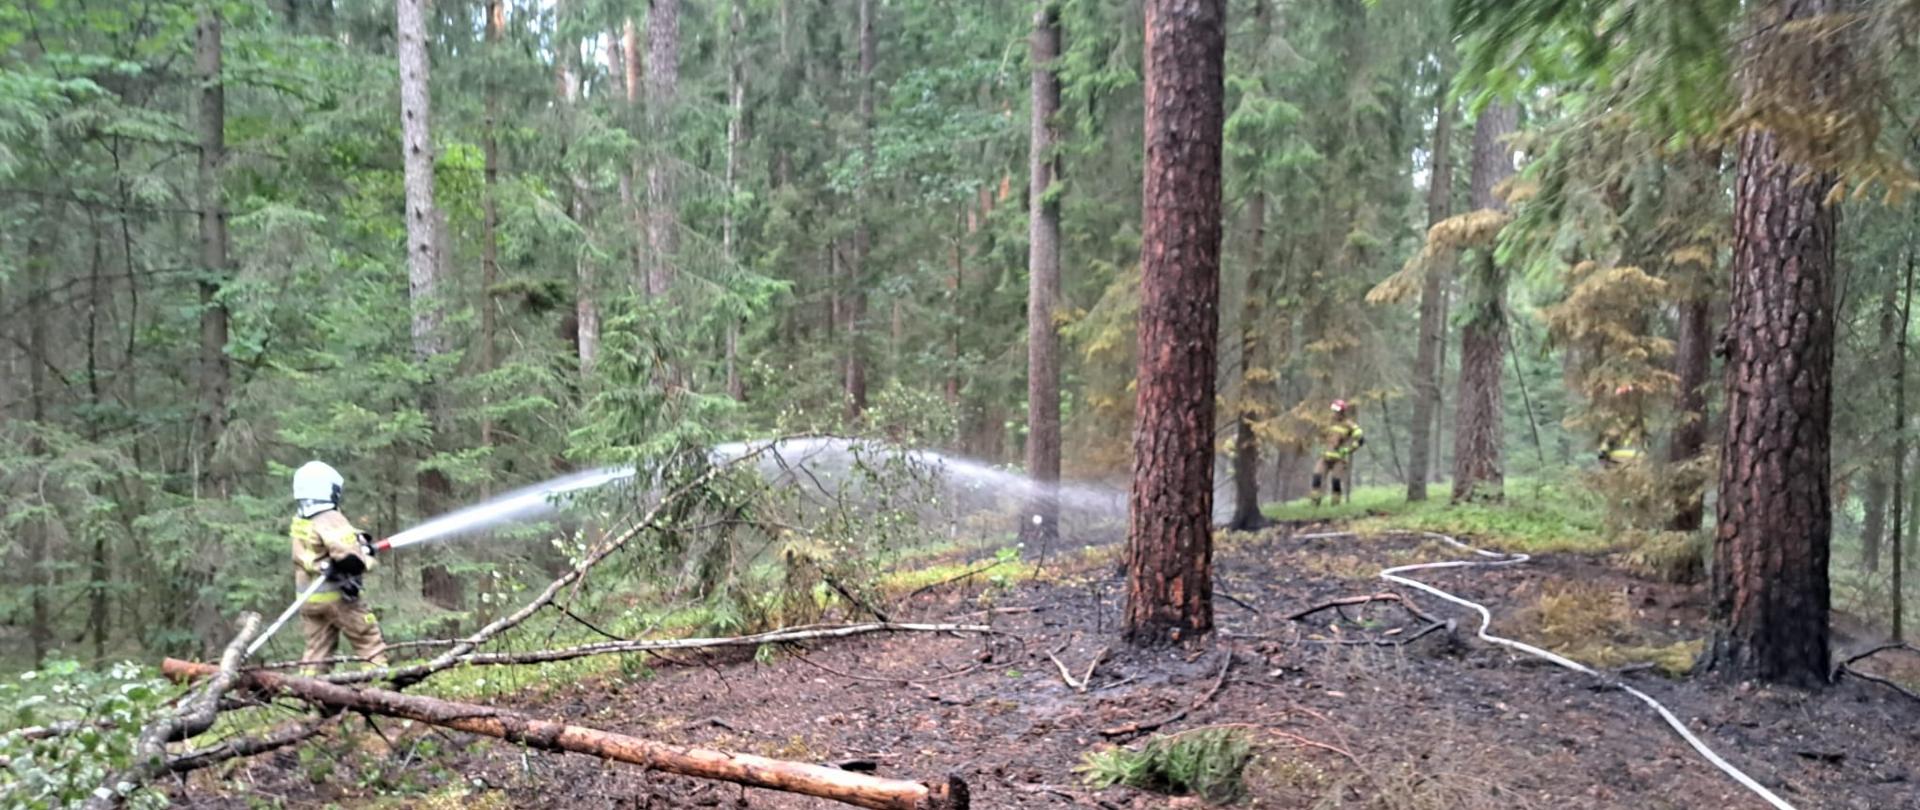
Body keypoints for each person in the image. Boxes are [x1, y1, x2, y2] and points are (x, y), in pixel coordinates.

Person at [290, 460, 388, 672]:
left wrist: (360, 540)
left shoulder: (300, 519)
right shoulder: (330, 517)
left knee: (316, 652)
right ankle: (382, 687)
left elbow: (318, 549)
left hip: (309, 599)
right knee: (368, 640)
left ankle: (309, 695)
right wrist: (365, 558)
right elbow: (349, 561)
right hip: (337, 598)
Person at [1310, 399, 1365, 506]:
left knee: (1336, 481)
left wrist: (1349, 450)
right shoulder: (1327, 423)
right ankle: (1314, 504)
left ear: (1342, 412)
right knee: (1317, 477)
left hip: (1339, 459)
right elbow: (1320, 435)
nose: (1335, 414)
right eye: (1334, 411)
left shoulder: (1349, 425)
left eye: (1337, 411)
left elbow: (1361, 439)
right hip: (1325, 457)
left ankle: (1335, 505)